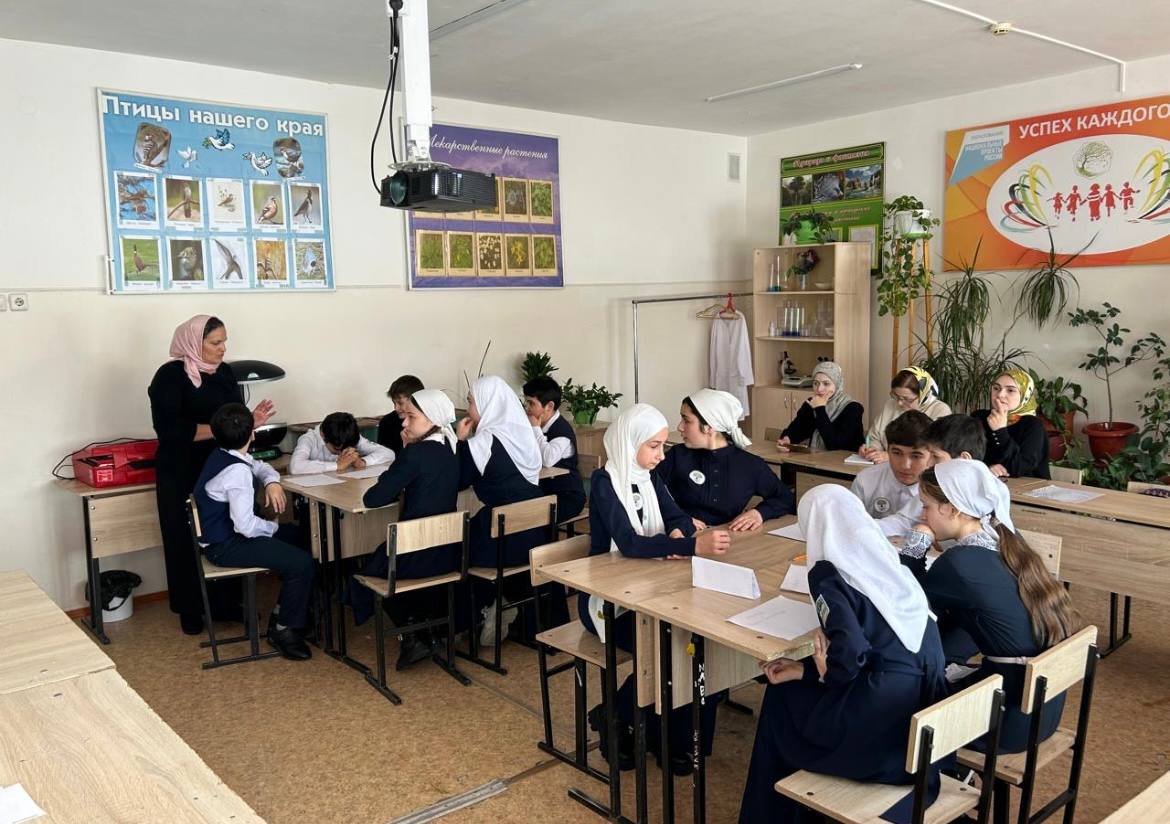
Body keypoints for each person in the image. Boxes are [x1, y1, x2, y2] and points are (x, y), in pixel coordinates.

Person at [739, 485, 947, 824]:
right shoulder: (890, 564)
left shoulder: (828, 574)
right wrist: (807, 671)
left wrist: (825, 674)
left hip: (880, 739)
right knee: (797, 685)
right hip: (917, 718)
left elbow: (850, 654)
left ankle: (771, 817)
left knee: (781, 700)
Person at [581, 403, 730, 776]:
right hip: (607, 599)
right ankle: (618, 716)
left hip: (652, 588)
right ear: (629, 442)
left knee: (692, 644)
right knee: (666, 650)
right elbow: (629, 543)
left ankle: (669, 738)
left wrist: (679, 529)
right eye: (653, 446)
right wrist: (688, 545)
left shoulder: (650, 477)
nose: (661, 455)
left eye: (663, 446)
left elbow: (677, 515)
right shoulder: (604, 481)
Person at [902, 461, 1077, 751]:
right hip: (1040, 708)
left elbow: (903, 599)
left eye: (926, 506)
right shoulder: (1006, 540)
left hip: (1003, 721)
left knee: (898, 686)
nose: (921, 515)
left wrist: (917, 543)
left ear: (953, 509)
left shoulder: (959, 563)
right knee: (943, 649)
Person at [148, 315, 274, 635]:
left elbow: (234, 418)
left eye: (224, 342)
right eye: (215, 343)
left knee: (230, 531)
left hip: (222, 466)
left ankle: (226, 605)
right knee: (184, 538)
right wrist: (222, 430)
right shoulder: (170, 377)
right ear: (194, 342)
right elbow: (171, 431)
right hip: (182, 471)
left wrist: (249, 421)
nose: (223, 349)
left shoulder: (225, 373)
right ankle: (190, 610)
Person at [194, 403, 314, 661]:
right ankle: (283, 630)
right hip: (226, 546)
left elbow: (259, 466)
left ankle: (291, 611)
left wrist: (272, 482)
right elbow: (246, 527)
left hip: (229, 536)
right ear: (252, 434)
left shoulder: (224, 454)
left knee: (305, 538)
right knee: (302, 562)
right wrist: (273, 527)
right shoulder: (236, 472)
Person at [352, 390, 462, 669]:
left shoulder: (415, 454)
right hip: (448, 551)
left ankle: (413, 634)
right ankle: (426, 632)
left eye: (411, 417)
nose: (404, 423)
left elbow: (373, 498)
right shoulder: (450, 448)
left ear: (432, 419)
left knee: (367, 570)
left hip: (414, 553)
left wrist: (404, 453)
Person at [457, 376, 551, 644]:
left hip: (502, 539)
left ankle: (476, 615)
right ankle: (503, 604)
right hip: (534, 531)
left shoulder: (484, 440)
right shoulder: (523, 433)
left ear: (487, 404)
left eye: (471, 402)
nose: (468, 409)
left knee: (454, 549)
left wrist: (460, 441)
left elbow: (460, 479)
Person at [655, 388, 794, 530]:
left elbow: (785, 498)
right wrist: (678, 517)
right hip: (682, 535)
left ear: (709, 427)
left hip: (730, 538)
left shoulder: (750, 465)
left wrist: (759, 513)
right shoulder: (677, 456)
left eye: (686, 420)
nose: (679, 427)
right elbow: (646, 491)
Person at [851, 410, 932, 537]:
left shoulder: (939, 490)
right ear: (887, 451)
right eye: (897, 453)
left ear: (932, 456)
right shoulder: (866, 480)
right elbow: (850, 524)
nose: (905, 465)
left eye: (916, 456)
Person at [522, 376, 586, 522]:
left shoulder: (562, 431)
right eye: (526, 402)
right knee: (515, 512)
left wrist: (535, 429)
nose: (527, 408)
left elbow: (548, 459)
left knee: (532, 519)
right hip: (544, 492)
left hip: (567, 496)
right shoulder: (534, 426)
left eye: (531, 403)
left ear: (549, 406)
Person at [860, 366, 952, 462]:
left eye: (907, 399)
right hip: (884, 466)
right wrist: (873, 450)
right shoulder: (890, 405)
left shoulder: (940, 410)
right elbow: (874, 437)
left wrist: (892, 456)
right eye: (896, 396)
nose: (899, 403)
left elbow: (935, 450)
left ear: (923, 395)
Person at [971, 369, 1050, 479]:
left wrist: (1000, 431)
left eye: (1010, 390)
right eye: (996, 388)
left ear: (1024, 396)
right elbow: (963, 455)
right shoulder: (979, 417)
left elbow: (1019, 468)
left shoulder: (1032, 425)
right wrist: (987, 468)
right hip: (985, 484)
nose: (1000, 395)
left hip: (1027, 487)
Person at [776, 361, 864, 452]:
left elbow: (834, 445)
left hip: (843, 460)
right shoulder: (811, 403)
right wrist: (787, 439)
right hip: (816, 458)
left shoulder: (853, 408)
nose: (819, 389)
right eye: (816, 383)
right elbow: (797, 429)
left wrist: (820, 409)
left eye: (826, 383)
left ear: (837, 384)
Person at [288, 411, 394, 474]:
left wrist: (363, 461)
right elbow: (295, 467)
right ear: (323, 436)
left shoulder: (349, 435)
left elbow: (389, 454)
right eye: (336, 449)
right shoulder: (308, 439)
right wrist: (337, 465)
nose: (341, 454)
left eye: (345, 449)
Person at [377, 374, 424, 453]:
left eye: (400, 403)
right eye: (394, 403)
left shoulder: (430, 420)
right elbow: (383, 455)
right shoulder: (387, 422)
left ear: (416, 400)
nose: (396, 408)